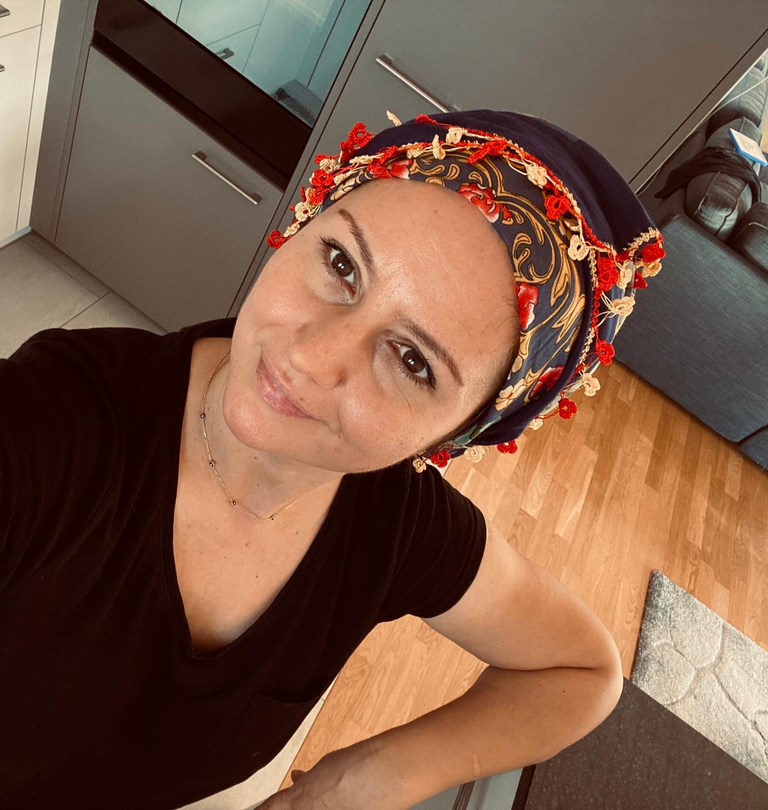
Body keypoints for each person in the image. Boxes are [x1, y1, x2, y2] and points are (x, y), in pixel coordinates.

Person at [0, 109, 664, 809]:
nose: (310, 356)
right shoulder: (49, 427)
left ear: (457, 434)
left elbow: (581, 671)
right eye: (342, 265)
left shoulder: (395, 524)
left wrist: (366, 779)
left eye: (411, 360)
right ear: (304, 222)